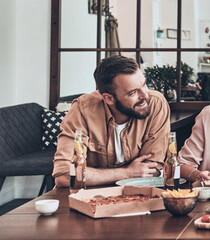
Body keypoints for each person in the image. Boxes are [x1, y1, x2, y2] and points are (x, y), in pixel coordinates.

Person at [52, 55, 171, 187]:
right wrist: (127, 172)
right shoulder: (82, 110)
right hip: (86, 194)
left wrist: (95, 174)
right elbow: (64, 175)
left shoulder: (156, 104)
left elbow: (151, 170)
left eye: (144, 85)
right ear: (109, 98)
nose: (145, 95)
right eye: (133, 93)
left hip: (136, 192)